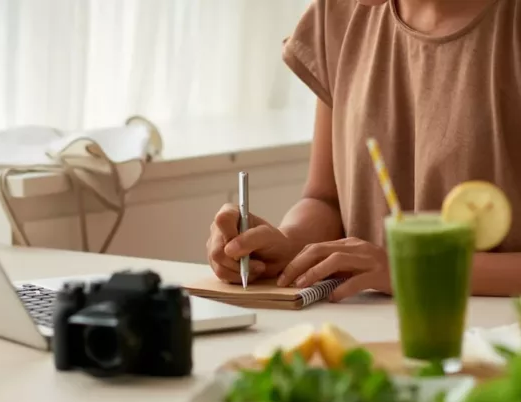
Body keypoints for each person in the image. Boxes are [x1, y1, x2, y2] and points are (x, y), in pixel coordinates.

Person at [207, 0, 521, 302]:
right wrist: (287, 244)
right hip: (366, 335)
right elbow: (324, 200)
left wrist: (408, 269)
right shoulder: (337, 13)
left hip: (494, 343)